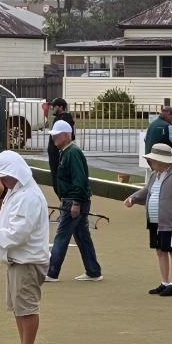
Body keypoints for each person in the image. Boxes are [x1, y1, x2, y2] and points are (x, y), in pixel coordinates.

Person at [0, 151, 50, 344]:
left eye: (5, 176)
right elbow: (9, 221)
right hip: (17, 260)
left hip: (28, 261)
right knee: (18, 307)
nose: (3, 181)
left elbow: (18, 233)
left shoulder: (28, 196)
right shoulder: (16, 191)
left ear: (16, 172)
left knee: (27, 307)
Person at [124, 142, 172, 297]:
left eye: (153, 160)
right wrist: (133, 198)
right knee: (160, 251)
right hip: (155, 220)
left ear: (162, 160)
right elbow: (147, 191)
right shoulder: (155, 174)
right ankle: (165, 282)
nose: (151, 163)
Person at [46, 120, 103, 282]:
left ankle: (52, 272)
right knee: (81, 235)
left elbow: (80, 179)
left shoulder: (72, 152)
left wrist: (76, 203)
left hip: (74, 200)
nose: (54, 139)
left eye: (57, 136)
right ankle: (93, 271)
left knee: (62, 235)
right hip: (73, 199)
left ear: (66, 135)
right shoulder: (66, 151)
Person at [45, 97, 74, 196]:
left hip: (56, 154)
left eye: (55, 106)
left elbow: (69, 136)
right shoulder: (60, 118)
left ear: (61, 107)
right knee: (56, 178)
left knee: (58, 179)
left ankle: (64, 198)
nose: (53, 108)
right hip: (54, 153)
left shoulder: (64, 118)